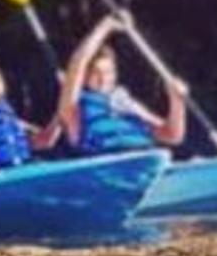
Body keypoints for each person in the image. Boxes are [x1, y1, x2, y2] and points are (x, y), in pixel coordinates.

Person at [52, 13, 187, 155]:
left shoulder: (125, 102)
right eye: (96, 73)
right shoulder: (75, 109)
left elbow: (172, 135)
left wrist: (177, 101)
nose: (103, 79)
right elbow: (79, 61)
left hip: (143, 159)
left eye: (109, 73)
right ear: (85, 77)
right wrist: (105, 27)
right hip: (106, 163)